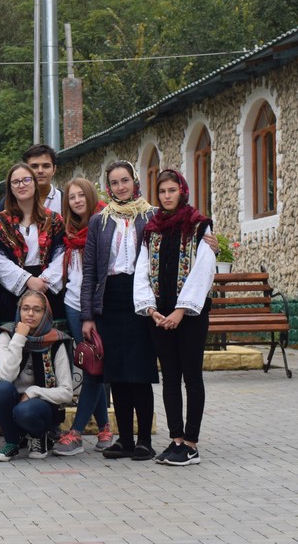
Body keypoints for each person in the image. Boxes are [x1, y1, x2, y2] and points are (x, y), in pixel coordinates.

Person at [136, 168, 216, 467]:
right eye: (162, 191)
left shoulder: (199, 226)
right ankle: (176, 439)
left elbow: (203, 271)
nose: (167, 196)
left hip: (190, 315)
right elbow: (142, 270)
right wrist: (152, 310)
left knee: (191, 376)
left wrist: (181, 311)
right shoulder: (152, 229)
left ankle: (192, 444)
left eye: (172, 190)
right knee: (169, 377)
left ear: (182, 191)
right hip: (159, 315)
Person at [80, 160, 158, 461]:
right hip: (109, 300)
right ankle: (124, 439)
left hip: (140, 300)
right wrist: (88, 315)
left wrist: (207, 239)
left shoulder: (150, 217)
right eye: (114, 183)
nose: (120, 187)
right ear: (108, 187)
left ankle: (144, 441)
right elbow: (90, 271)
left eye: (125, 180)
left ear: (134, 181)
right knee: (117, 375)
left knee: (139, 373)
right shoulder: (99, 221)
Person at [53, 177, 114, 457]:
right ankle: (104, 427)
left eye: (81, 196)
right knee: (91, 365)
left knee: (94, 368)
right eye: (72, 197)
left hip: (97, 307)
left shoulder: (105, 224)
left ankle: (76, 432)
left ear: (90, 196)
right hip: (73, 305)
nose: (77, 201)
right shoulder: (69, 231)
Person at [0, 290, 74, 461]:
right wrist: (20, 337)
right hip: (12, 404)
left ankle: (40, 436)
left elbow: (66, 392)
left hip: (41, 410)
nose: (30, 314)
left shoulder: (56, 341)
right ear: (19, 310)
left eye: (37, 310)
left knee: (25, 410)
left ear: (46, 313)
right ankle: (11, 443)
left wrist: (34, 391)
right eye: (25, 308)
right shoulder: (7, 334)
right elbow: (5, 375)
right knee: (2, 388)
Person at [0, 162, 67, 323]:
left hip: (48, 290)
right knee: (15, 342)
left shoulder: (53, 220)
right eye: (16, 182)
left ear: (34, 183)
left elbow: (61, 254)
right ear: (10, 187)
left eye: (26, 180)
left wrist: (43, 282)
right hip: (13, 292)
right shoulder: (1, 221)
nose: (21, 185)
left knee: (49, 342)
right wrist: (27, 280)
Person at [23, 144, 63, 216]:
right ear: (25, 170)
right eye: (34, 166)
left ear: (54, 169)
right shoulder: (13, 200)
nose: (40, 171)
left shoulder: (64, 199)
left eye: (46, 166)